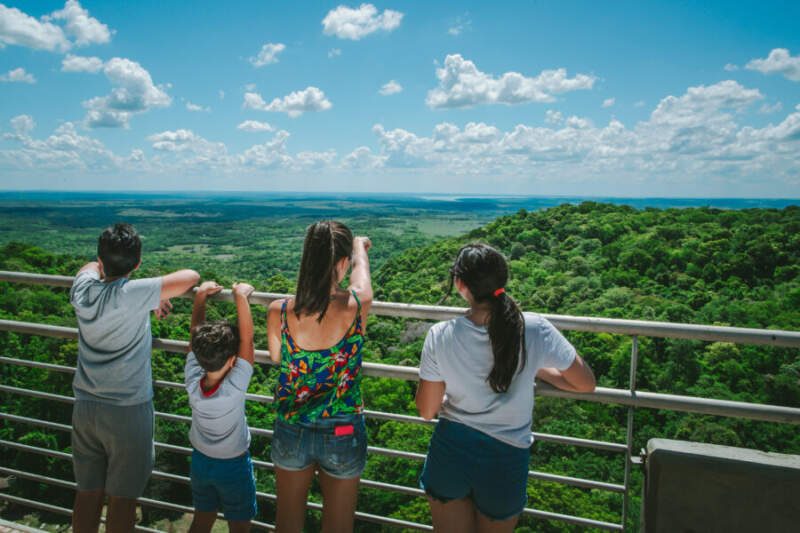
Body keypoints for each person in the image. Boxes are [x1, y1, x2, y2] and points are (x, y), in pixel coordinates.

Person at [415, 243, 595, 533]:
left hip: (451, 450)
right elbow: (585, 383)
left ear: (460, 285)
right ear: (502, 278)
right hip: (506, 458)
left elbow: (427, 411)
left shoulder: (440, 335)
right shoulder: (534, 328)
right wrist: (533, 366)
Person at [70, 223, 200, 533]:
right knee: (123, 499)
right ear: (138, 264)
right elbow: (191, 276)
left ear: (101, 259)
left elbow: (87, 268)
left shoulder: (82, 289)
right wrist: (150, 294)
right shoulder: (132, 293)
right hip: (128, 410)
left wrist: (145, 294)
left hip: (85, 406)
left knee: (87, 493)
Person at [266, 221, 372, 533]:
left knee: (287, 522)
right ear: (343, 262)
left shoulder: (279, 310)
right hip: (343, 429)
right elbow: (361, 278)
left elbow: (277, 357)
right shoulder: (356, 305)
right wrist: (359, 248)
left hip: (292, 426)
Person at [184, 281, 257, 533]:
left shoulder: (193, 378)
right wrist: (241, 296)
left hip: (201, 461)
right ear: (233, 360)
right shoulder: (234, 386)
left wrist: (200, 296)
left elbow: (194, 335)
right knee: (240, 526)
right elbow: (248, 339)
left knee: (202, 520)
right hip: (233, 465)